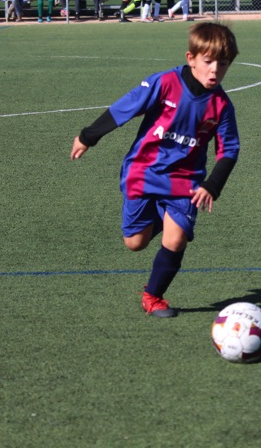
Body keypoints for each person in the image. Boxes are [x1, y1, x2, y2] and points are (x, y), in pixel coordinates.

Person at [70, 22, 241, 318]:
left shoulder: (221, 106)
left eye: (223, 64)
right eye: (208, 62)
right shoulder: (164, 83)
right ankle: (159, 219)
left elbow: (230, 150)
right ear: (191, 58)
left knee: (176, 240)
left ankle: (154, 296)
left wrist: (212, 185)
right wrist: (88, 136)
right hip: (144, 171)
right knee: (135, 243)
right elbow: (125, 107)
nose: (215, 70)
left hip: (185, 181)